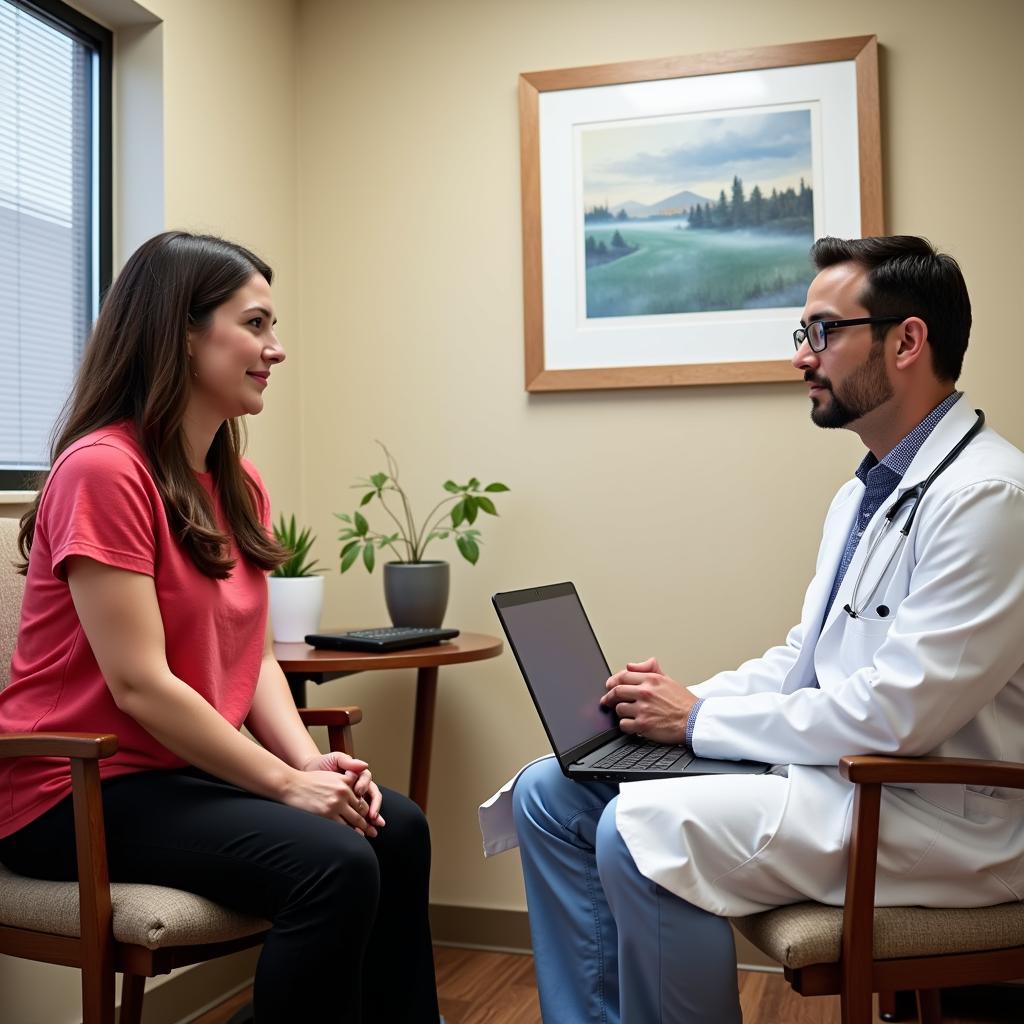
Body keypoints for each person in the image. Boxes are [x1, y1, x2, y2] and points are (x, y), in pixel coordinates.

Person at [480, 235, 1024, 1023]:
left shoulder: (989, 498)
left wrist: (699, 722)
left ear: (907, 341)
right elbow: (807, 660)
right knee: (550, 793)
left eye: (822, 333)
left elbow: (902, 712)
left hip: (934, 814)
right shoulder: (866, 493)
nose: (803, 357)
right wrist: (678, 707)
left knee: (641, 831)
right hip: (844, 781)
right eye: (803, 334)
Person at [0, 231, 440, 1023]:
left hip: (173, 776)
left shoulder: (235, 483)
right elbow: (138, 684)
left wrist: (316, 768)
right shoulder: (105, 470)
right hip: (72, 791)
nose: (277, 349)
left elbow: (254, 658)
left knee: (394, 828)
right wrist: (282, 783)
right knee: (334, 865)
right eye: (257, 324)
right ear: (182, 332)